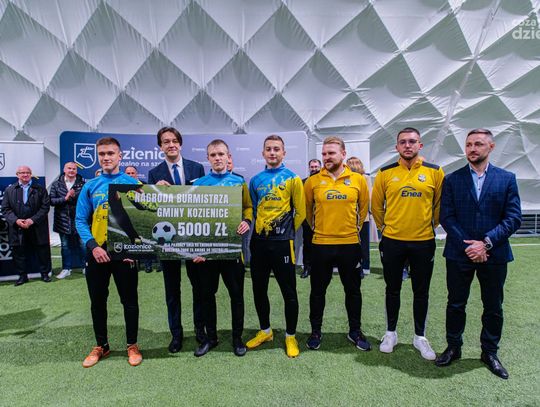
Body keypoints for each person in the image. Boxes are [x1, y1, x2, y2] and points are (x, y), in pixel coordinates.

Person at [435, 128, 521, 379]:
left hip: (494, 254)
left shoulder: (506, 179)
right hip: (459, 253)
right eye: (469, 144)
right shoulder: (452, 179)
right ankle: (454, 347)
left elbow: (513, 217)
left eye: (478, 144)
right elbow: (447, 217)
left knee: (493, 306)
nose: (472, 149)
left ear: (491, 147)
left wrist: (486, 243)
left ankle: (489, 352)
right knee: (455, 303)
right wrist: (469, 246)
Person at [371, 128, 444, 360]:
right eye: (403, 142)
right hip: (393, 242)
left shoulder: (435, 172)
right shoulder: (385, 173)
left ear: (420, 145)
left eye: (412, 141)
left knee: (421, 291)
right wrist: (386, 229)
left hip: (423, 242)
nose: (407, 145)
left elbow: (439, 205)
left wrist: (429, 226)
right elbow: (376, 206)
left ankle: (419, 337)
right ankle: (390, 333)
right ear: (397, 147)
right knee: (392, 289)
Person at [75, 137, 142, 368]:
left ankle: (132, 345)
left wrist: (135, 249)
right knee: (97, 300)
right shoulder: (90, 186)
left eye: (110, 153)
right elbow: (80, 220)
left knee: (129, 300)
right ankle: (101, 345)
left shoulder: (133, 183)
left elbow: (142, 218)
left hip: (125, 252)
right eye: (102, 154)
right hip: (97, 252)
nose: (106, 157)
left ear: (119, 156)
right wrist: (93, 247)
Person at [304, 136, 371, 351]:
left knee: (353, 290)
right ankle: (315, 331)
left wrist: (350, 230)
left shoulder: (358, 180)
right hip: (321, 244)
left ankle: (355, 331)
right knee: (317, 291)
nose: (327, 157)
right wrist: (321, 230)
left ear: (343, 154)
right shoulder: (312, 181)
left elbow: (363, 209)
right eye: (324, 153)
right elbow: (307, 211)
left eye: (331, 153)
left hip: (349, 244)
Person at [190, 139, 252, 357]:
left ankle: (237, 338)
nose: (217, 158)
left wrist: (247, 221)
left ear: (228, 157)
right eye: (213, 155)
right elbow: (192, 217)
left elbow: (248, 207)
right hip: (207, 254)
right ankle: (211, 338)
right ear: (207, 158)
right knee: (207, 296)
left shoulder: (239, 182)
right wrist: (196, 249)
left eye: (221, 154)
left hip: (232, 251)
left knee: (236, 295)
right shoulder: (199, 184)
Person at [246, 134, 306, 358]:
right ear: (263, 153)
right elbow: (254, 209)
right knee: (259, 289)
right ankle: (265, 331)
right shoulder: (255, 180)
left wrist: (286, 232)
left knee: (288, 291)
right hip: (259, 243)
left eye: (276, 149)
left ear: (284, 153)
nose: (272, 152)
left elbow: (300, 212)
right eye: (269, 149)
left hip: (283, 245)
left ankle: (290, 336)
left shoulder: (293, 178)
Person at [147, 126, 205, 353]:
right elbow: (151, 208)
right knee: (172, 291)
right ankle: (176, 335)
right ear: (160, 147)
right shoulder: (154, 173)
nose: (170, 145)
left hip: (192, 237)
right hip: (168, 239)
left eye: (174, 141)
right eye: (165, 141)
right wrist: (155, 191)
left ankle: (200, 330)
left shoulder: (197, 168)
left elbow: (204, 201)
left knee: (198, 288)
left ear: (180, 144)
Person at [1, 165, 52, 285]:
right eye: (22, 173)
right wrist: (16, 220)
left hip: (37, 226)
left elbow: (45, 207)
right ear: (17, 175)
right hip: (17, 227)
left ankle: (45, 274)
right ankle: (22, 276)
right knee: (18, 252)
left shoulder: (40, 189)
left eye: (27, 172)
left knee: (42, 251)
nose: (25, 175)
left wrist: (32, 220)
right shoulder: (10, 190)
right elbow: (5, 209)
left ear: (31, 174)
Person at [49, 162, 86, 279]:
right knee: (65, 246)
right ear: (64, 170)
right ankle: (66, 269)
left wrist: (74, 197)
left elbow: (86, 200)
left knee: (83, 244)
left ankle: (86, 267)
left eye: (74, 169)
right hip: (62, 220)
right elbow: (51, 201)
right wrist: (65, 198)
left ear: (76, 171)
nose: (71, 170)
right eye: (69, 168)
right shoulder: (56, 184)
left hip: (79, 219)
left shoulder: (83, 184)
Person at [346, 156, 371, 277]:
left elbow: (368, 197)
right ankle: (361, 266)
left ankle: (362, 266)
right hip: (357, 216)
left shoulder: (364, 178)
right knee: (360, 243)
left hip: (358, 216)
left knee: (359, 243)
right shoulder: (349, 178)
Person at [300, 159, 321, 279]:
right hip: (307, 220)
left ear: (320, 167)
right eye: (312, 167)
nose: (314, 169)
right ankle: (307, 268)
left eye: (316, 166)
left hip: (323, 219)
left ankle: (321, 269)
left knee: (322, 246)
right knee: (307, 244)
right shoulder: (303, 182)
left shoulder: (326, 181)